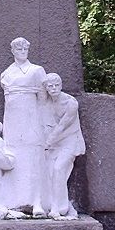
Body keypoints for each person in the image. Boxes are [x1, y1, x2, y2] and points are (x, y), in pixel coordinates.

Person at [0, 37, 47, 216]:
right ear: (12, 51)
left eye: (25, 49)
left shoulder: (36, 71)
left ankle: (37, 201)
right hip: (12, 120)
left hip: (31, 118)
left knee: (33, 159)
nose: (22, 52)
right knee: (14, 158)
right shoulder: (6, 74)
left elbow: (43, 100)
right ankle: (14, 200)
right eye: (18, 49)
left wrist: (41, 122)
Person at [42, 73, 85, 218]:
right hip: (55, 143)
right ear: (46, 88)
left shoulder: (71, 103)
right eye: (50, 86)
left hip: (69, 141)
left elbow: (62, 126)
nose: (54, 88)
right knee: (50, 173)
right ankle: (57, 205)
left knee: (58, 168)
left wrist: (47, 143)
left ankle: (58, 207)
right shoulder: (46, 103)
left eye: (56, 85)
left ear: (61, 85)